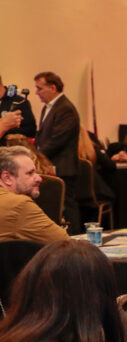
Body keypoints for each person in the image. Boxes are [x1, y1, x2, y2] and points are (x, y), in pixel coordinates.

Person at [33, 71, 82, 232]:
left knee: (67, 206)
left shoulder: (65, 108)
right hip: (51, 165)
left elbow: (58, 139)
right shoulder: (48, 108)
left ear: (52, 87)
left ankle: (74, 238)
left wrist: (36, 156)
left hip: (63, 166)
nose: (37, 93)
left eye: (39, 88)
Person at [0, 146, 69, 242]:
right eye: (30, 173)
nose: (39, 178)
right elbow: (65, 243)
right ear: (7, 178)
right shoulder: (18, 205)